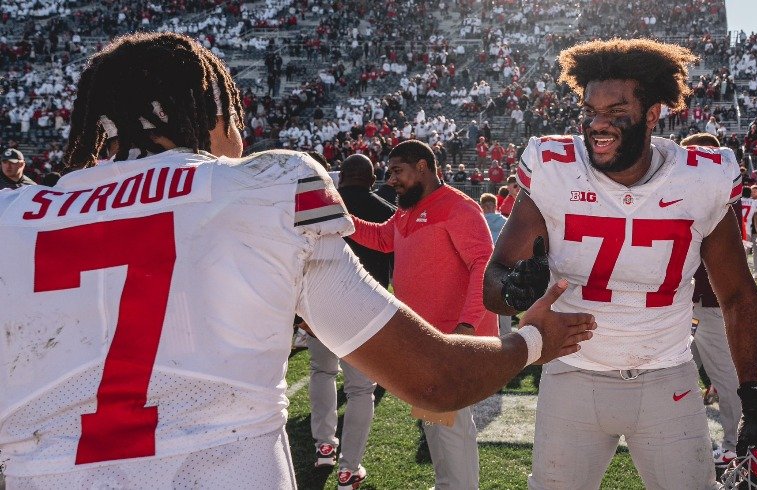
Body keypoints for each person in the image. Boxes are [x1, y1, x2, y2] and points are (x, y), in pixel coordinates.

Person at [0, 33, 596, 489]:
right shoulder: (265, 187)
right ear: (210, 111)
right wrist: (533, 342)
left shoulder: (12, 216)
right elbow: (433, 380)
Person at [483, 39, 757, 490]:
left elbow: (737, 295)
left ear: (652, 114)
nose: (599, 124)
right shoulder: (553, 167)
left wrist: (756, 400)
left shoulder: (701, 177)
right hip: (572, 374)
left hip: (667, 378)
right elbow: (494, 281)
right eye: (590, 110)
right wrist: (515, 290)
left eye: (617, 111)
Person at [348, 140, 498, 489]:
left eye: (397, 171)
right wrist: (340, 219)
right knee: (437, 421)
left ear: (422, 167)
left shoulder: (459, 207)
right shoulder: (406, 210)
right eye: (389, 172)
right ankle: (450, 482)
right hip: (425, 338)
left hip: (452, 338)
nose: (392, 179)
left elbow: (483, 264)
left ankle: (458, 485)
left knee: (452, 426)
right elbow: (383, 238)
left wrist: (467, 325)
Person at [306, 153, 396, 488]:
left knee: (322, 372)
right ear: (372, 179)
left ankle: (324, 445)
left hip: (318, 303)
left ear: (341, 177)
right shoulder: (388, 212)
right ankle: (349, 468)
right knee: (360, 389)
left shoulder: (322, 206)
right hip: (364, 310)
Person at [679, 133, 742, 469]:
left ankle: (735, 443)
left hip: (710, 300)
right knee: (679, 370)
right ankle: (686, 435)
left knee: (725, 376)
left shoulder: (716, 196)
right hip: (691, 301)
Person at [481, 193, 511, 335]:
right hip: (503, 266)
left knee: (484, 304)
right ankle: (505, 335)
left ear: (482, 206)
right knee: (504, 303)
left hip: (484, 268)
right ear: (495, 206)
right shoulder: (506, 222)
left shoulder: (478, 221)